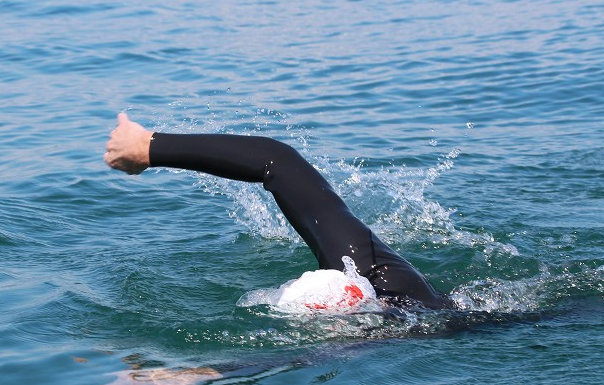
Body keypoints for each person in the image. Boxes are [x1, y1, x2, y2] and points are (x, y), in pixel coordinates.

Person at [103, 112, 455, 311]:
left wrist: (186, 376)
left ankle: (144, 147)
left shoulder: (385, 305)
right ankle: (144, 147)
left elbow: (295, 360)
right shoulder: (383, 287)